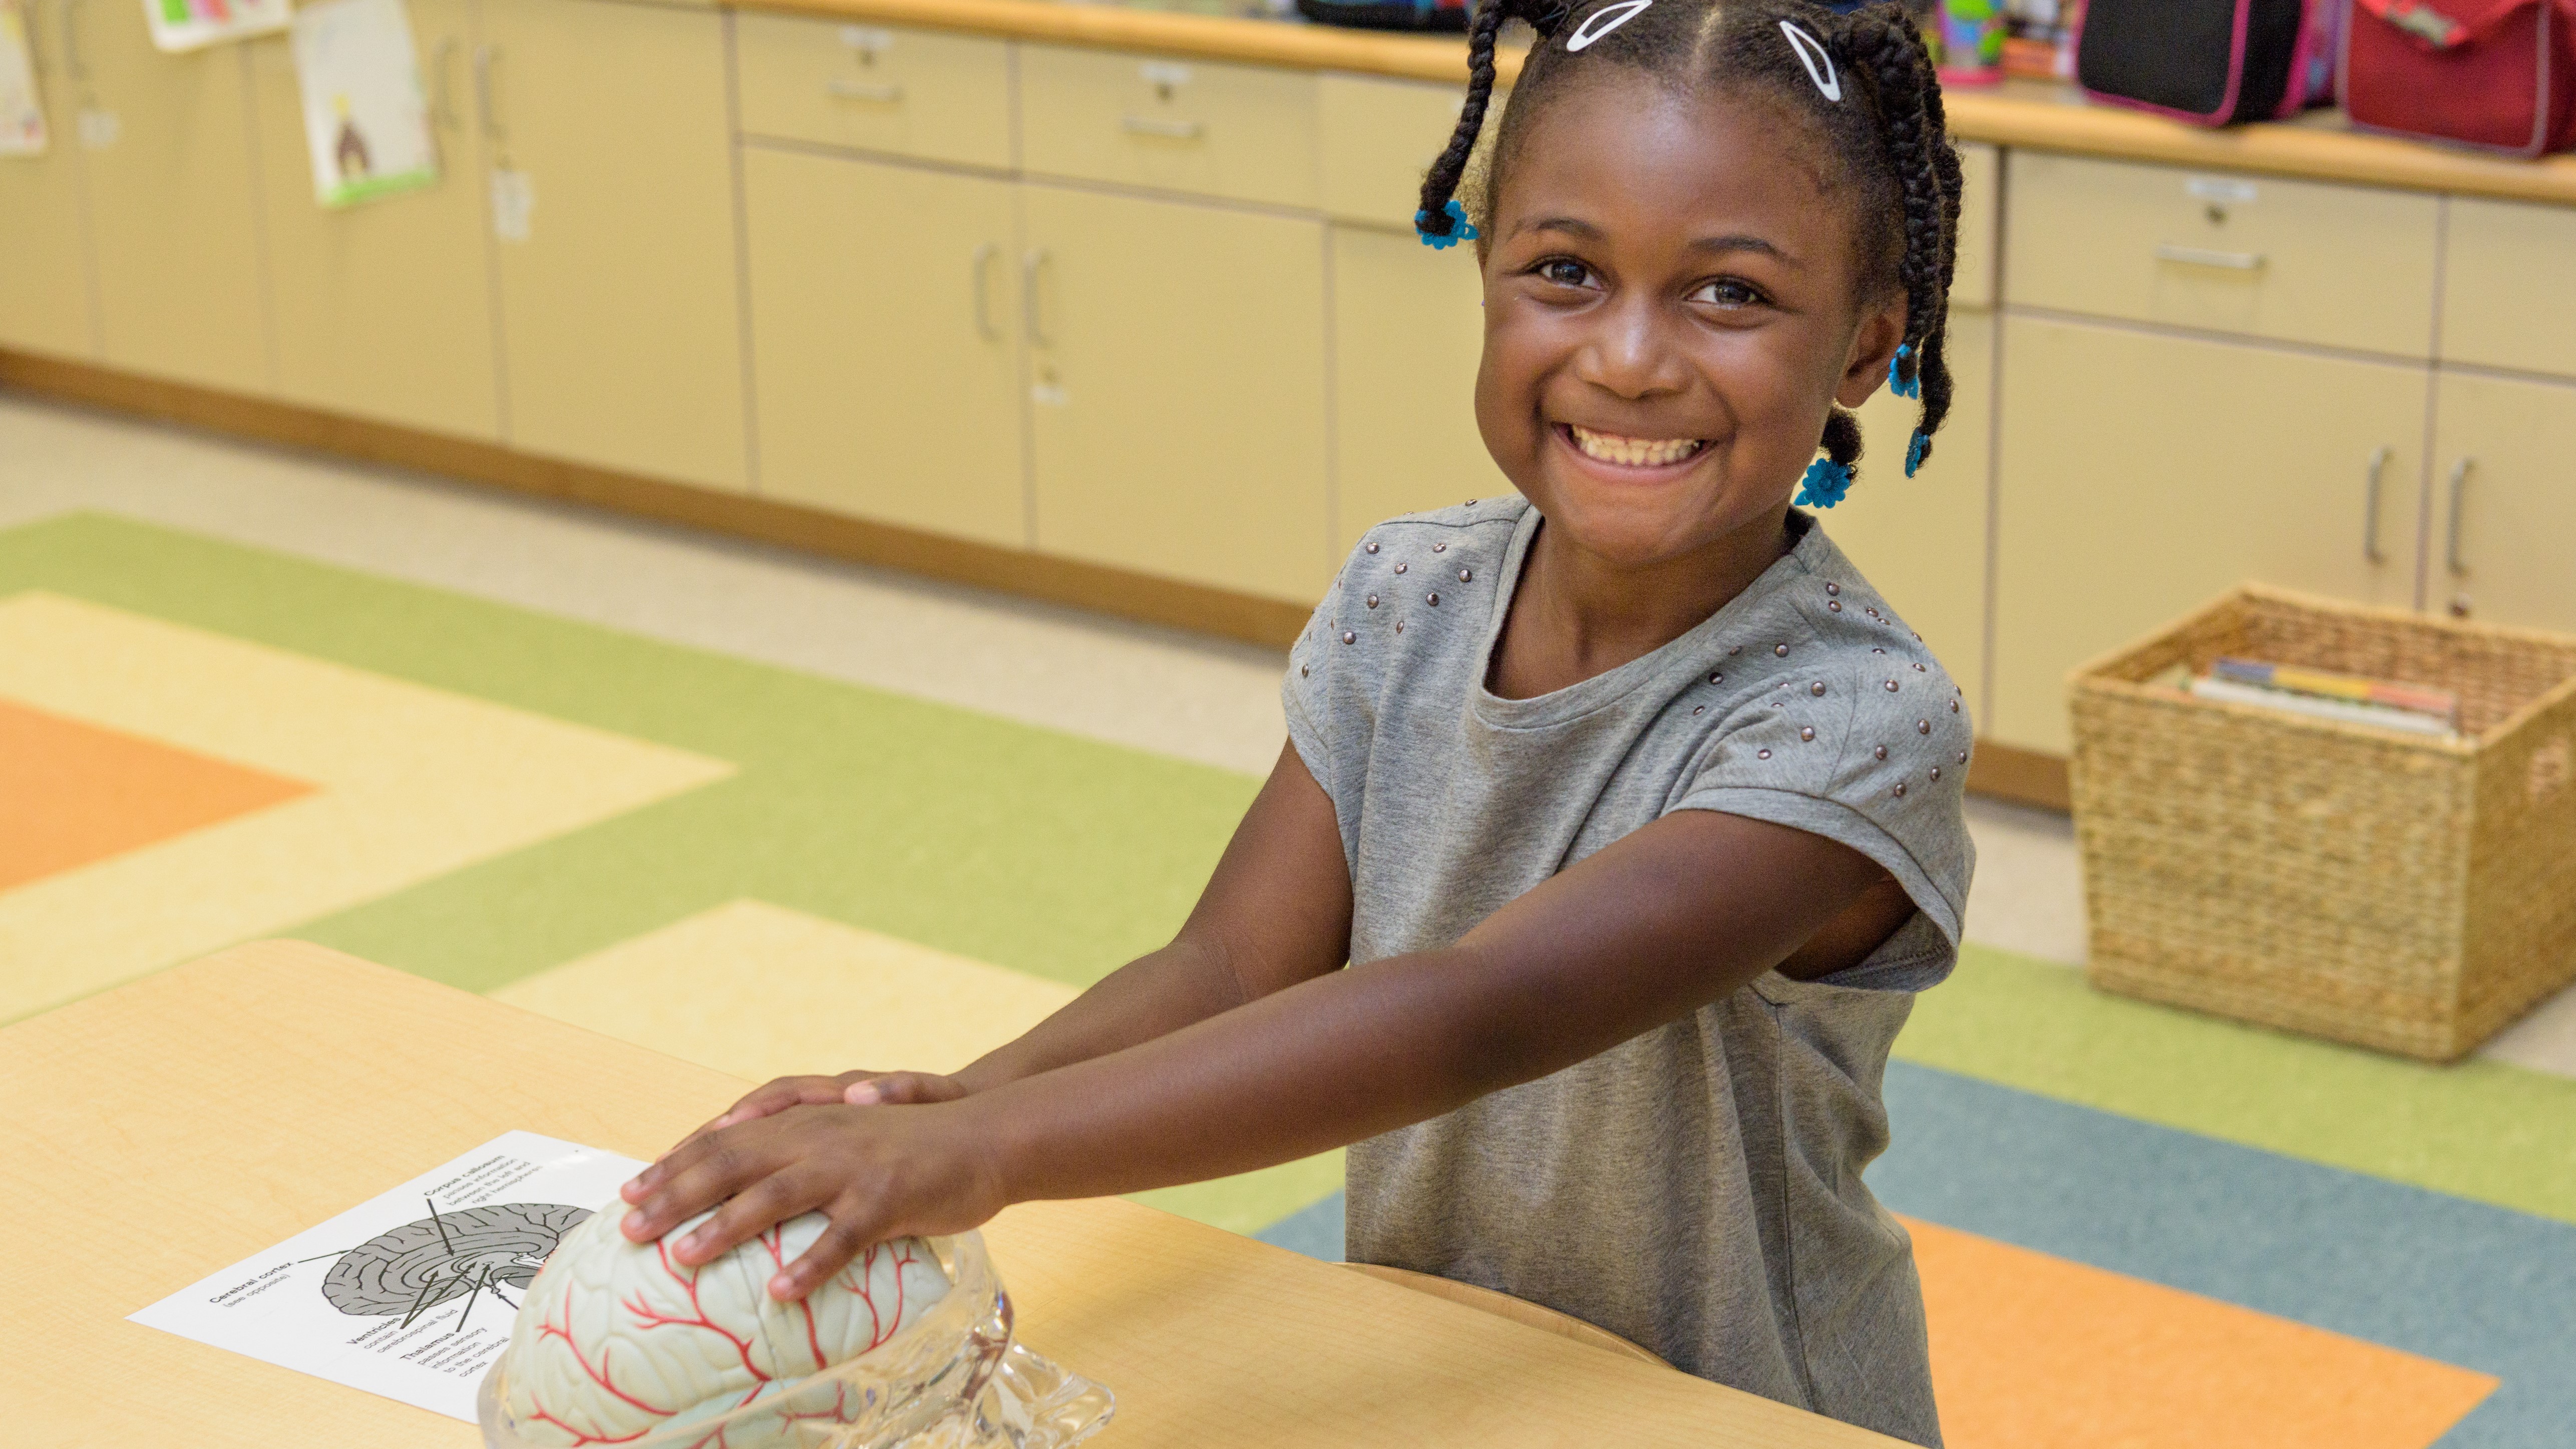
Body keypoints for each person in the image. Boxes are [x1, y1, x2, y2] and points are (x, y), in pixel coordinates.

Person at [617, 1, 1971, 1440]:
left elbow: (1475, 1012)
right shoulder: (1408, 592)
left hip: (1735, 1414)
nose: (1630, 359)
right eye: (1564, 272)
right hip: (1436, 1373)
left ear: (1862, 349)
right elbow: (1227, 967)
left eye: (1729, 296)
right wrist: (943, 1108)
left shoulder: (1857, 716)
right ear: (1485, 271)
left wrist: (986, 1151)